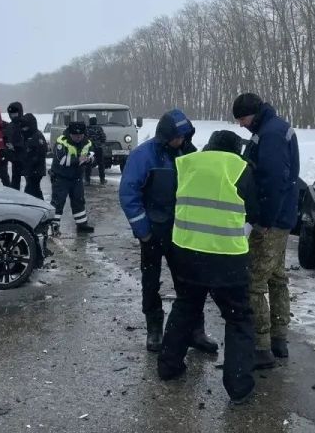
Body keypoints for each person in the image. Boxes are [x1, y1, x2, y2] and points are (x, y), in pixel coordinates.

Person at [158, 130, 259, 403]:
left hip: (187, 251)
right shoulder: (240, 168)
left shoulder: (187, 163)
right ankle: (239, 388)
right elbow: (254, 209)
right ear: (235, 149)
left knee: (186, 307)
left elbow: (171, 202)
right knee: (238, 318)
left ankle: (169, 366)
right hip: (227, 256)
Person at [119, 110, 217, 354]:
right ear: (165, 136)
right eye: (176, 137)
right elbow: (128, 194)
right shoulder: (143, 156)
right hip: (153, 231)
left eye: (184, 136)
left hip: (183, 232)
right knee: (151, 282)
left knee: (189, 283)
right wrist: (143, 230)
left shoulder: (189, 153)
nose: (180, 141)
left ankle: (196, 330)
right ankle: (154, 328)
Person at [233, 92, 300, 370]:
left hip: (271, 219)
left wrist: (265, 218)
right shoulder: (274, 128)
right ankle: (279, 338)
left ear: (253, 113)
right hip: (282, 216)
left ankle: (261, 346)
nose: (241, 125)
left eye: (242, 119)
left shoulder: (270, 134)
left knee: (255, 280)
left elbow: (274, 180)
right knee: (276, 276)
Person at [50, 121, 96, 234]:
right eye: (75, 135)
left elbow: (93, 153)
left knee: (79, 201)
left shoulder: (87, 142)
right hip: (61, 177)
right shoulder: (62, 141)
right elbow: (61, 160)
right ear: (70, 134)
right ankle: (54, 225)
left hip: (76, 177)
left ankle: (82, 224)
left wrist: (90, 159)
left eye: (80, 135)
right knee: (58, 202)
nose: (78, 138)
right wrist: (79, 160)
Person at [21, 113, 48, 201]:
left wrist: (32, 162)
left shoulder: (37, 136)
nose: (24, 129)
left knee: (31, 189)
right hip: (30, 168)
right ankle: (39, 205)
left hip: (36, 169)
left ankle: (36, 205)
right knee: (34, 189)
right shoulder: (27, 135)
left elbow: (42, 152)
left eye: (26, 127)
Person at [5, 102, 27, 191]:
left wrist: (16, 146)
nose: (13, 116)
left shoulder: (26, 123)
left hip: (26, 159)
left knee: (31, 186)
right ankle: (15, 201)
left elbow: (29, 141)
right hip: (15, 159)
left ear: (20, 112)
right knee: (15, 184)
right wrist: (7, 148)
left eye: (15, 113)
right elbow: (6, 139)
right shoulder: (10, 126)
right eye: (11, 114)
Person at [84, 116, 107, 186]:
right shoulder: (99, 128)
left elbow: (84, 138)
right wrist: (100, 142)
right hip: (98, 148)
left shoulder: (87, 128)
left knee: (88, 164)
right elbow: (103, 138)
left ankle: (87, 180)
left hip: (90, 149)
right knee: (101, 164)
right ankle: (102, 180)